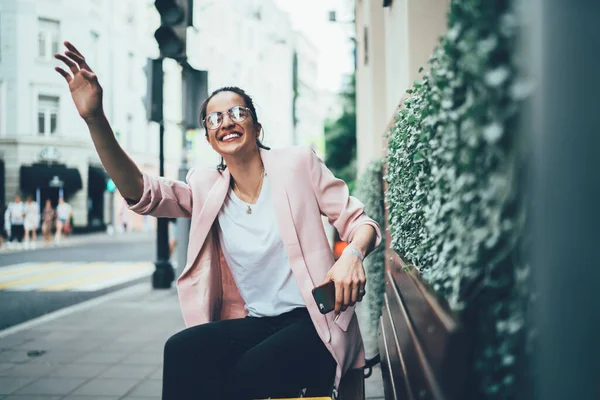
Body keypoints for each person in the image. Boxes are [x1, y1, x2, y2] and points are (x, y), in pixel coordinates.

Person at [55, 41, 381, 400]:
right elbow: (142, 193)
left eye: (237, 112)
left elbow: (360, 221)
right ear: (211, 139)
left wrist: (352, 255)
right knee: (181, 350)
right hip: (259, 323)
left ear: (256, 127)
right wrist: (94, 119)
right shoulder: (206, 186)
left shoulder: (297, 164)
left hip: (316, 322)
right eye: (215, 118)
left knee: (244, 376)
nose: (226, 121)